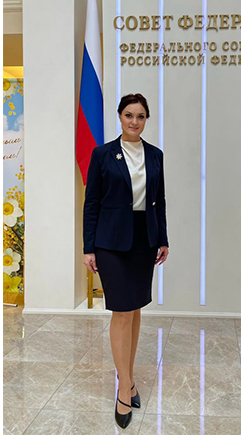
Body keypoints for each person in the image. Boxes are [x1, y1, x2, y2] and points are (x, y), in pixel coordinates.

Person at [82, 93, 169, 429]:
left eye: (141, 116)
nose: (135, 121)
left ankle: (129, 380)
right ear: (119, 117)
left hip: (144, 240)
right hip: (111, 243)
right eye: (129, 115)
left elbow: (159, 201)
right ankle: (123, 389)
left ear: (146, 120)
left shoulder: (156, 155)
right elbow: (91, 203)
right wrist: (89, 247)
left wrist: (163, 238)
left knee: (134, 309)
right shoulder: (102, 154)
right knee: (121, 311)